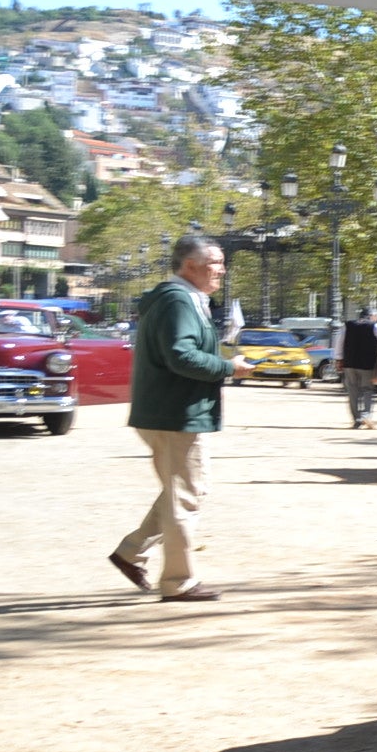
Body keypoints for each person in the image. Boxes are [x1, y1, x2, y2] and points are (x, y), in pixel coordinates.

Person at [107, 234, 254, 601]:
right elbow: (181, 355)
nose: (221, 269)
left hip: (168, 412)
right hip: (174, 415)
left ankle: (131, 553)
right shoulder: (178, 302)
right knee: (185, 497)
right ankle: (178, 581)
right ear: (190, 265)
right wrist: (228, 367)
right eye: (215, 262)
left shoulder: (180, 299)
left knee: (184, 493)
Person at [337, 305, 377, 429]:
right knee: (368, 389)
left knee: (353, 391)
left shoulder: (348, 325)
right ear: (373, 316)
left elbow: (339, 343)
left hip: (350, 363)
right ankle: (366, 415)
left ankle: (356, 419)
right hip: (367, 364)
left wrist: (339, 359)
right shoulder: (374, 326)